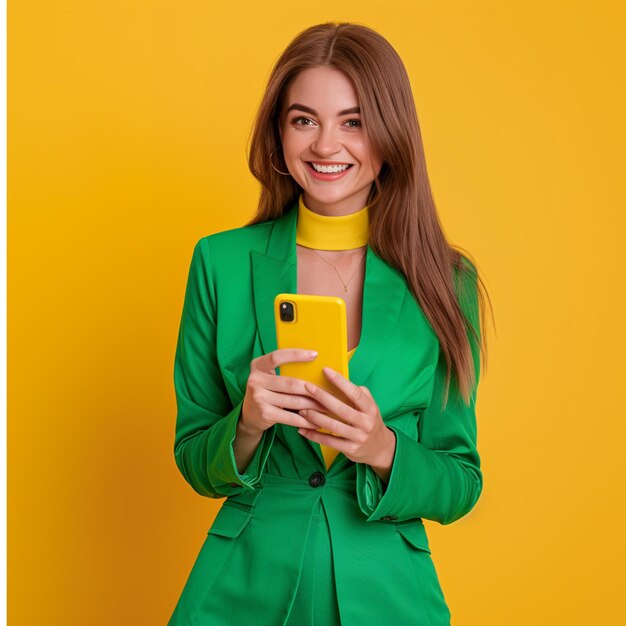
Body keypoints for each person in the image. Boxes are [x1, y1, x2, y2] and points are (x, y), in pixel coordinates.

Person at [167, 21, 489, 626]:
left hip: (388, 592)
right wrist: (247, 424)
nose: (325, 145)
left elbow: (461, 481)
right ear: (279, 131)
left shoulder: (446, 281)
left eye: (354, 121)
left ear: (391, 133)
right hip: (244, 587)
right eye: (303, 119)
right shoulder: (221, 262)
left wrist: (383, 449)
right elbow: (191, 455)